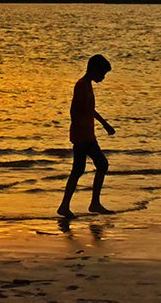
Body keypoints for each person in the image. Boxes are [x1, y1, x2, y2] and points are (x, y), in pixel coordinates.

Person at [57, 54, 116, 218]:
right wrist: (81, 130)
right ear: (94, 70)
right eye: (102, 74)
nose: (103, 77)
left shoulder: (86, 85)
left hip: (85, 133)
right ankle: (94, 203)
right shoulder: (82, 85)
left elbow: (89, 109)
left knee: (78, 170)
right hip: (83, 135)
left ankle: (65, 206)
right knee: (101, 165)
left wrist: (104, 124)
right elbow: (75, 110)